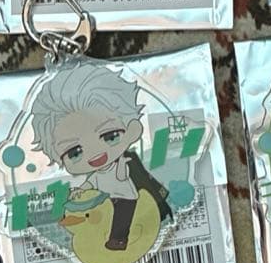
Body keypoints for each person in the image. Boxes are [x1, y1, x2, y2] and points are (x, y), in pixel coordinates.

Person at [30, 65, 170, 251]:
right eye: (75, 153)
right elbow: (92, 182)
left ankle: (118, 241)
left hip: (125, 197)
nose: (95, 152)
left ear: (133, 130)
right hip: (108, 199)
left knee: (122, 215)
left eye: (110, 136)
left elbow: (122, 177)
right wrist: (80, 190)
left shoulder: (126, 162)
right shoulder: (98, 174)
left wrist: (122, 165)